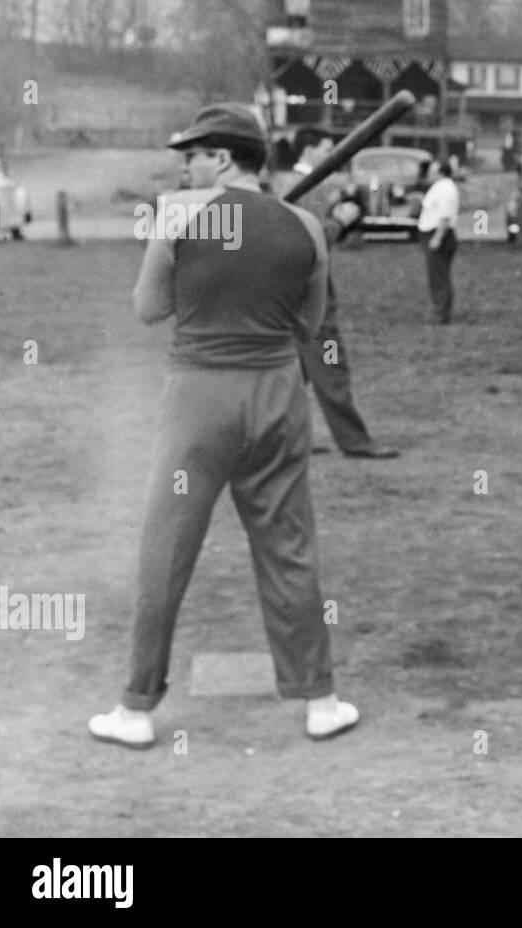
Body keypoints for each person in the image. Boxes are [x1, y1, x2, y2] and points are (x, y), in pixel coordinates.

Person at [89, 103, 359, 750]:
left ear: (223, 159)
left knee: (165, 551)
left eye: (193, 156)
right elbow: (308, 326)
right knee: (289, 548)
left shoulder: (177, 215)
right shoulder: (307, 226)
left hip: (198, 401)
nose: (184, 167)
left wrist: (198, 271)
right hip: (276, 397)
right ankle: (320, 699)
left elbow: (149, 310)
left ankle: (135, 709)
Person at [273, 127, 399, 460]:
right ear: (309, 150)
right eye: (328, 148)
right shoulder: (301, 189)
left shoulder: (288, 185)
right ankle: (355, 441)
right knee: (332, 368)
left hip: (289, 298)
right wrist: (339, 224)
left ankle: (288, 438)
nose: (334, 155)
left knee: (294, 373)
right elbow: (307, 243)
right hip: (311, 301)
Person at [417, 159, 460, 324]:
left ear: (440, 172)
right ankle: (440, 310)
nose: (429, 173)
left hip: (440, 234)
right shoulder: (439, 187)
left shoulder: (446, 189)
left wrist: (437, 238)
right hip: (434, 233)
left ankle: (441, 313)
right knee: (436, 275)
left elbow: (445, 217)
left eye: (432, 171)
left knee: (439, 276)